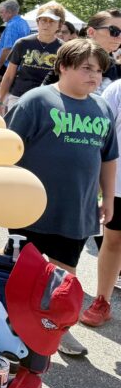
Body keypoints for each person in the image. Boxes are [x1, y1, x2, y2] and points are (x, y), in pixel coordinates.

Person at [6, 38, 117, 356]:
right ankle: (9, 326)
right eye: (86, 68)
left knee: (63, 277)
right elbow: (8, 149)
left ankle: (55, 329)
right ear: (64, 67)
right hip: (31, 209)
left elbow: (109, 157)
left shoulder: (102, 107)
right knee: (20, 272)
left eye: (98, 70)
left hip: (76, 210)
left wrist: (108, 198)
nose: (94, 76)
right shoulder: (37, 101)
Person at [81, 75, 121, 327]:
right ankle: (102, 301)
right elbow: (101, 137)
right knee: (113, 240)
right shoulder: (117, 89)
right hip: (119, 184)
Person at [0, 2, 65, 112]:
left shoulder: (64, 49)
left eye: (52, 21)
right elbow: (9, 76)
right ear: (38, 22)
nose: (47, 24)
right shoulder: (22, 43)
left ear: (59, 25)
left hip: (49, 100)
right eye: (43, 20)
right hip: (19, 97)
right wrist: (0, 102)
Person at [0, 0, 29, 75]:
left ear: (9, 12)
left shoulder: (11, 25)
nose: (0, 15)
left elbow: (7, 49)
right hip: (19, 65)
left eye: (1, 12)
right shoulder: (24, 23)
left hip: (6, 66)